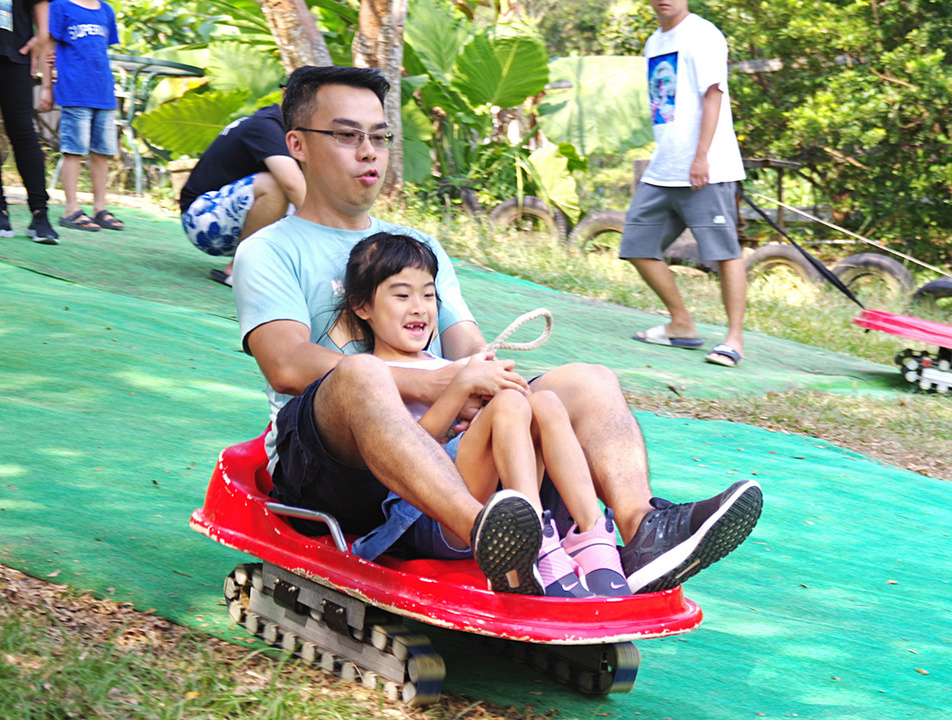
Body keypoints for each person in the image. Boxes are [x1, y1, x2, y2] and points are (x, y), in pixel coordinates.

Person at [233, 65, 762, 598]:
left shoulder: (417, 246)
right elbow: (287, 363)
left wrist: (484, 383)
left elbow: (466, 344)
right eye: (348, 136)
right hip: (332, 470)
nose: (369, 151)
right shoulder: (272, 248)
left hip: (443, 450)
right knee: (360, 373)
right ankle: (492, 537)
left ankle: (640, 529)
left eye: (380, 136)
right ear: (297, 144)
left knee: (587, 381)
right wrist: (429, 385)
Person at [338, 231, 631, 598]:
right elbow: (403, 453)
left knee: (545, 403)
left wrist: (496, 393)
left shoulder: (446, 364)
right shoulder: (372, 376)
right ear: (363, 307)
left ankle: (591, 538)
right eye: (402, 295)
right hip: (428, 513)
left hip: (489, 505)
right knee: (511, 406)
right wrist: (459, 389)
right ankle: (534, 546)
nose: (419, 307)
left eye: (428, 294)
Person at [621, 0, 747, 368]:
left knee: (725, 253)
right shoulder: (653, 42)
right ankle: (681, 323)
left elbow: (714, 95)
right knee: (636, 244)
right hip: (664, 167)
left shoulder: (703, 34)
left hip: (706, 167)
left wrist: (701, 156)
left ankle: (734, 340)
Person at [180, 91, 305, 287]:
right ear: (286, 94)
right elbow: (292, 184)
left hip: (233, 218)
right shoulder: (265, 125)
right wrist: (330, 232)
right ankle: (239, 268)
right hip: (202, 220)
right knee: (275, 185)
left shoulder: (301, 130)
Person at [47, 0, 124, 234]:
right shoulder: (59, 6)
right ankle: (71, 208)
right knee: (74, 150)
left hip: (102, 91)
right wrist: (46, 87)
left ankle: (99, 207)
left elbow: (100, 49)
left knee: (102, 151)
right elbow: (48, 50)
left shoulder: (106, 10)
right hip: (74, 91)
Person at [0, 0, 58, 244]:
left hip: (15, 50)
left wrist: (43, 35)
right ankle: (1, 211)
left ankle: (40, 215)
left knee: (23, 132)